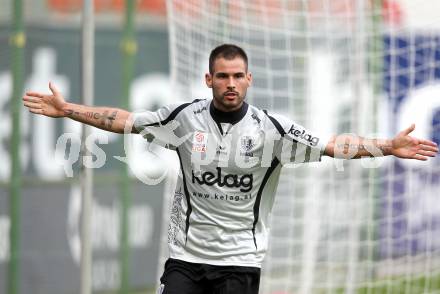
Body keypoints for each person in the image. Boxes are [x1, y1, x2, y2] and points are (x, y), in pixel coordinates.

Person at [23, 44, 438, 294]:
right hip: (185, 259)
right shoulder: (183, 119)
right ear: (209, 79)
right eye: (222, 76)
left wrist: (387, 146)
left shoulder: (273, 130)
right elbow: (125, 120)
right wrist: (69, 111)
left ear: (250, 78)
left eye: (238, 76)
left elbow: (332, 146)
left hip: (240, 263)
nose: (230, 83)